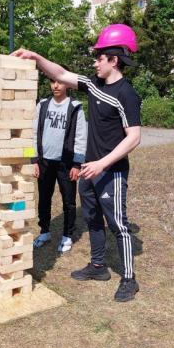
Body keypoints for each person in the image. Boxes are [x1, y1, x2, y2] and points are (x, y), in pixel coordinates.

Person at [13, 24, 142, 302]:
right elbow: (59, 73)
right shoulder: (94, 86)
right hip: (89, 170)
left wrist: (103, 163)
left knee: (118, 225)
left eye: (99, 57)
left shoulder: (126, 94)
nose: (95, 62)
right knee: (92, 219)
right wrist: (36, 57)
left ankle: (129, 279)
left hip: (112, 172)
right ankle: (98, 266)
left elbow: (134, 137)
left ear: (114, 59)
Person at [31, 72, 87, 253]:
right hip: (44, 162)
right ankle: (44, 231)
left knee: (69, 201)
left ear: (67, 85)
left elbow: (80, 137)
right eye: (52, 81)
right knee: (44, 199)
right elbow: (33, 133)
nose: (55, 85)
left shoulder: (75, 107)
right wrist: (33, 160)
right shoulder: (42, 105)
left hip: (66, 164)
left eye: (60, 82)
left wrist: (77, 164)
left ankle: (67, 235)